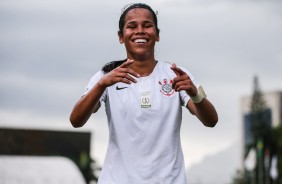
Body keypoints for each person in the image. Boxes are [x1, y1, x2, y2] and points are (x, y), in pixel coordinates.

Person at [70, 3, 218, 184]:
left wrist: (194, 93)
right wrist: (101, 85)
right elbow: (76, 120)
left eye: (147, 25)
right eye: (131, 26)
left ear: (157, 35)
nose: (140, 31)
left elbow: (211, 121)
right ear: (120, 36)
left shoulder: (176, 74)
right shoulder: (106, 76)